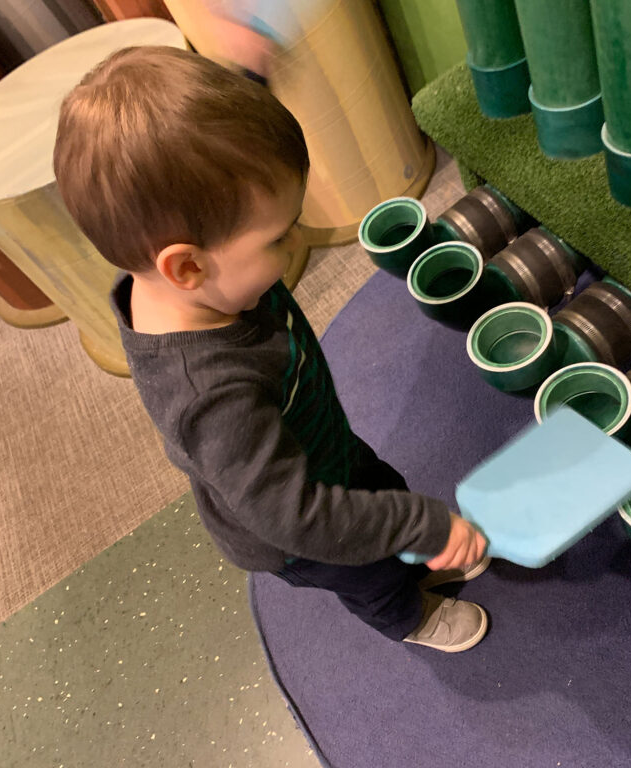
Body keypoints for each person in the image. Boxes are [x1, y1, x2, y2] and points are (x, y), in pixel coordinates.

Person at [53, 46, 490, 652]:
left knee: (383, 496)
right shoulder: (209, 395)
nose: (296, 240)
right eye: (278, 236)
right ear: (186, 267)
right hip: (294, 527)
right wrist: (423, 523)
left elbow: (211, 160)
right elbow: (303, 517)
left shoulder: (208, 280)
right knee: (369, 571)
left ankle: (415, 554)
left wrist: (249, 78)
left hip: (321, 449)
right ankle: (410, 617)